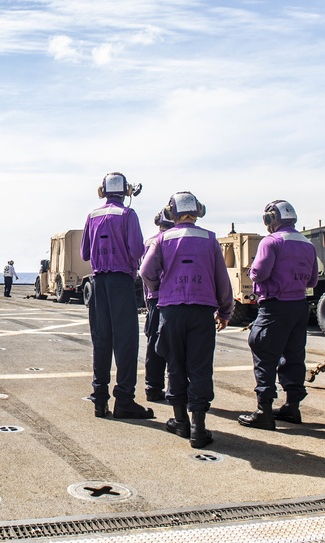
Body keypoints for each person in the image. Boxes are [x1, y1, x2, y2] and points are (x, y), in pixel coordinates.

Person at [140, 192, 232, 448]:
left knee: (175, 364)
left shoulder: (162, 239)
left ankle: (180, 422)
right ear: (198, 211)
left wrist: (160, 289)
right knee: (200, 367)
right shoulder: (210, 238)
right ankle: (199, 429)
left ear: (172, 213)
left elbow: (146, 271)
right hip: (202, 312)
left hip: (171, 311)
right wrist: (225, 311)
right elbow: (221, 279)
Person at [238, 200, 317, 430]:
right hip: (299, 306)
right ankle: (292, 407)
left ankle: (264, 410)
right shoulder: (307, 244)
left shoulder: (271, 242)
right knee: (294, 356)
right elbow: (312, 281)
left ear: (271, 219)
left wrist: (252, 270)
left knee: (264, 351)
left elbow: (260, 273)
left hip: (275, 307)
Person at [81, 172, 151, 419]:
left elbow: (85, 254)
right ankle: (124, 400)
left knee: (101, 341)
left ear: (103, 191)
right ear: (126, 192)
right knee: (126, 343)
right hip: (122, 282)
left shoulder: (92, 216)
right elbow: (137, 249)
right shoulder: (128, 215)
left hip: (98, 283)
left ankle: (99, 400)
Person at [141, 208, 174, 402]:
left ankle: (153, 388)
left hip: (155, 299)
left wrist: (152, 294)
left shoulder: (150, 242)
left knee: (154, 344)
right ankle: (175, 389)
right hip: (174, 299)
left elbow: (145, 273)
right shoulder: (179, 240)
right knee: (177, 346)